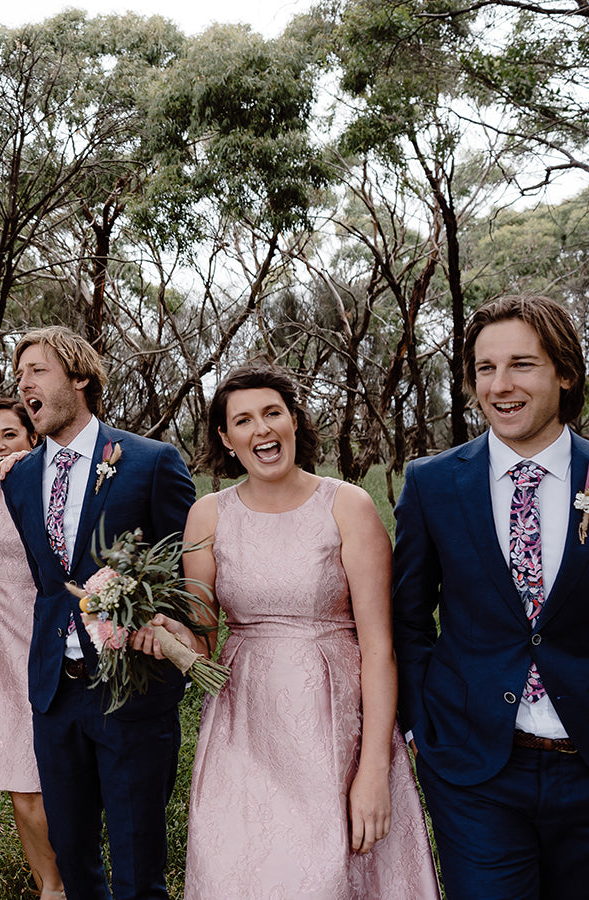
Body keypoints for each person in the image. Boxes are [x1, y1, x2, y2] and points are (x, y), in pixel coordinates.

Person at [134, 363, 440, 899]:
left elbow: (379, 646)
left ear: (295, 420)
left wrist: (373, 771)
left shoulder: (349, 505)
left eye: (273, 412)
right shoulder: (208, 515)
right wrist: (161, 632)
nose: (262, 430)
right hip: (242, 722)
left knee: (325, 876)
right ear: (227, 440)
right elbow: (203, 639)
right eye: (244, 421)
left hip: (335, 723)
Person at [393, 293, 589, 900]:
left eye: (522, 365)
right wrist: (424, 723)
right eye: (485, 368)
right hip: (475, 769)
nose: (500, 385)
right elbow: (407, 616)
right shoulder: (432, 483)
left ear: (565, 372)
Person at [0, 326, 196, 900]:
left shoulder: (150, 461)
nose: (22, 383)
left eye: (37, 370)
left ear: (79, 378)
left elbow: (185, 574)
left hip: (131, 695)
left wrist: (155, 622)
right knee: (76, 863)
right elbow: (38, 579)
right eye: (19, 374)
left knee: (138, 872)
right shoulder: (21, 478)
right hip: (55, 698)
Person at [0, 397, 65, 899]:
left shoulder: (47, 486)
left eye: (8, 435)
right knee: (22, 785)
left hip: (37, 641)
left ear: (33, 436)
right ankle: (50, 887)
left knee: (42, 783)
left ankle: (61, 881)